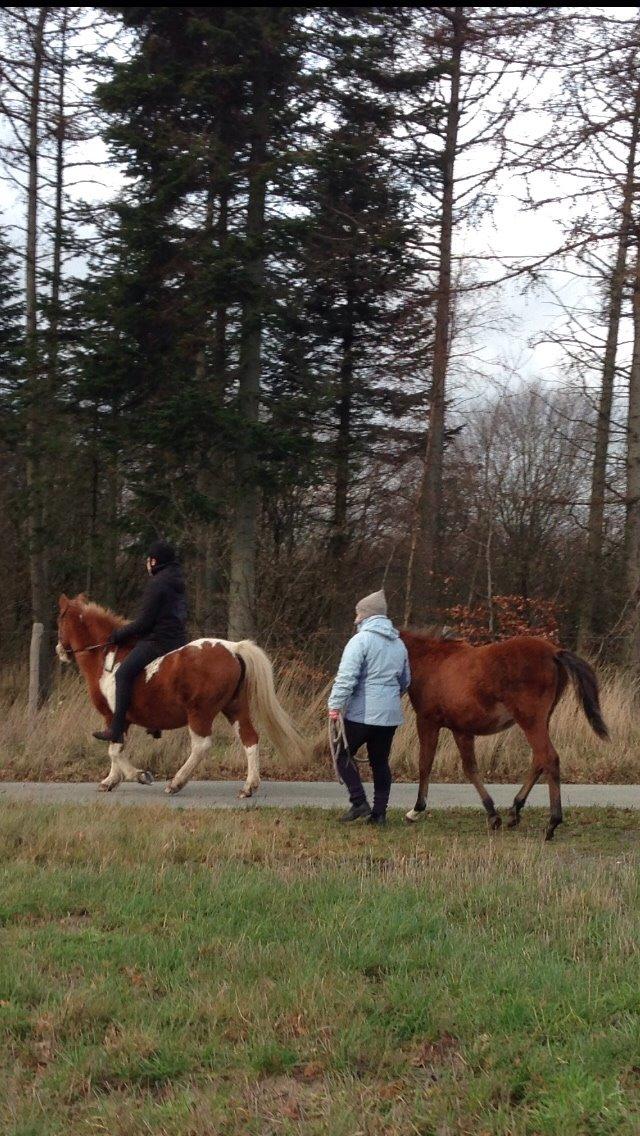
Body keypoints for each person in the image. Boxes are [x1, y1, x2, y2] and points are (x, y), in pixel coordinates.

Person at [328, 589, 410, 825]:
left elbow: (346, 677)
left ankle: (358, 802)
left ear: (363, 615)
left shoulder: (360, 640)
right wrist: (390, 700)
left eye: (358, 614)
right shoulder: (399, 644)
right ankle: (379, 814)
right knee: (380, 762)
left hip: (362, 714)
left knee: (341, 754)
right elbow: (405, 681)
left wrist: (335, 706)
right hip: (389, 716)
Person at [93, 540, 188, 743]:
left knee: (123, 674)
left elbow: (144, 623)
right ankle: (153, 723)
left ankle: (116, 730)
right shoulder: (177, 582)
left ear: (154, 561)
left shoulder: (157, 584)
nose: (147, 564)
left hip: (159, 641)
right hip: (178, 640)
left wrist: (119, 635)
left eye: (148, 560)